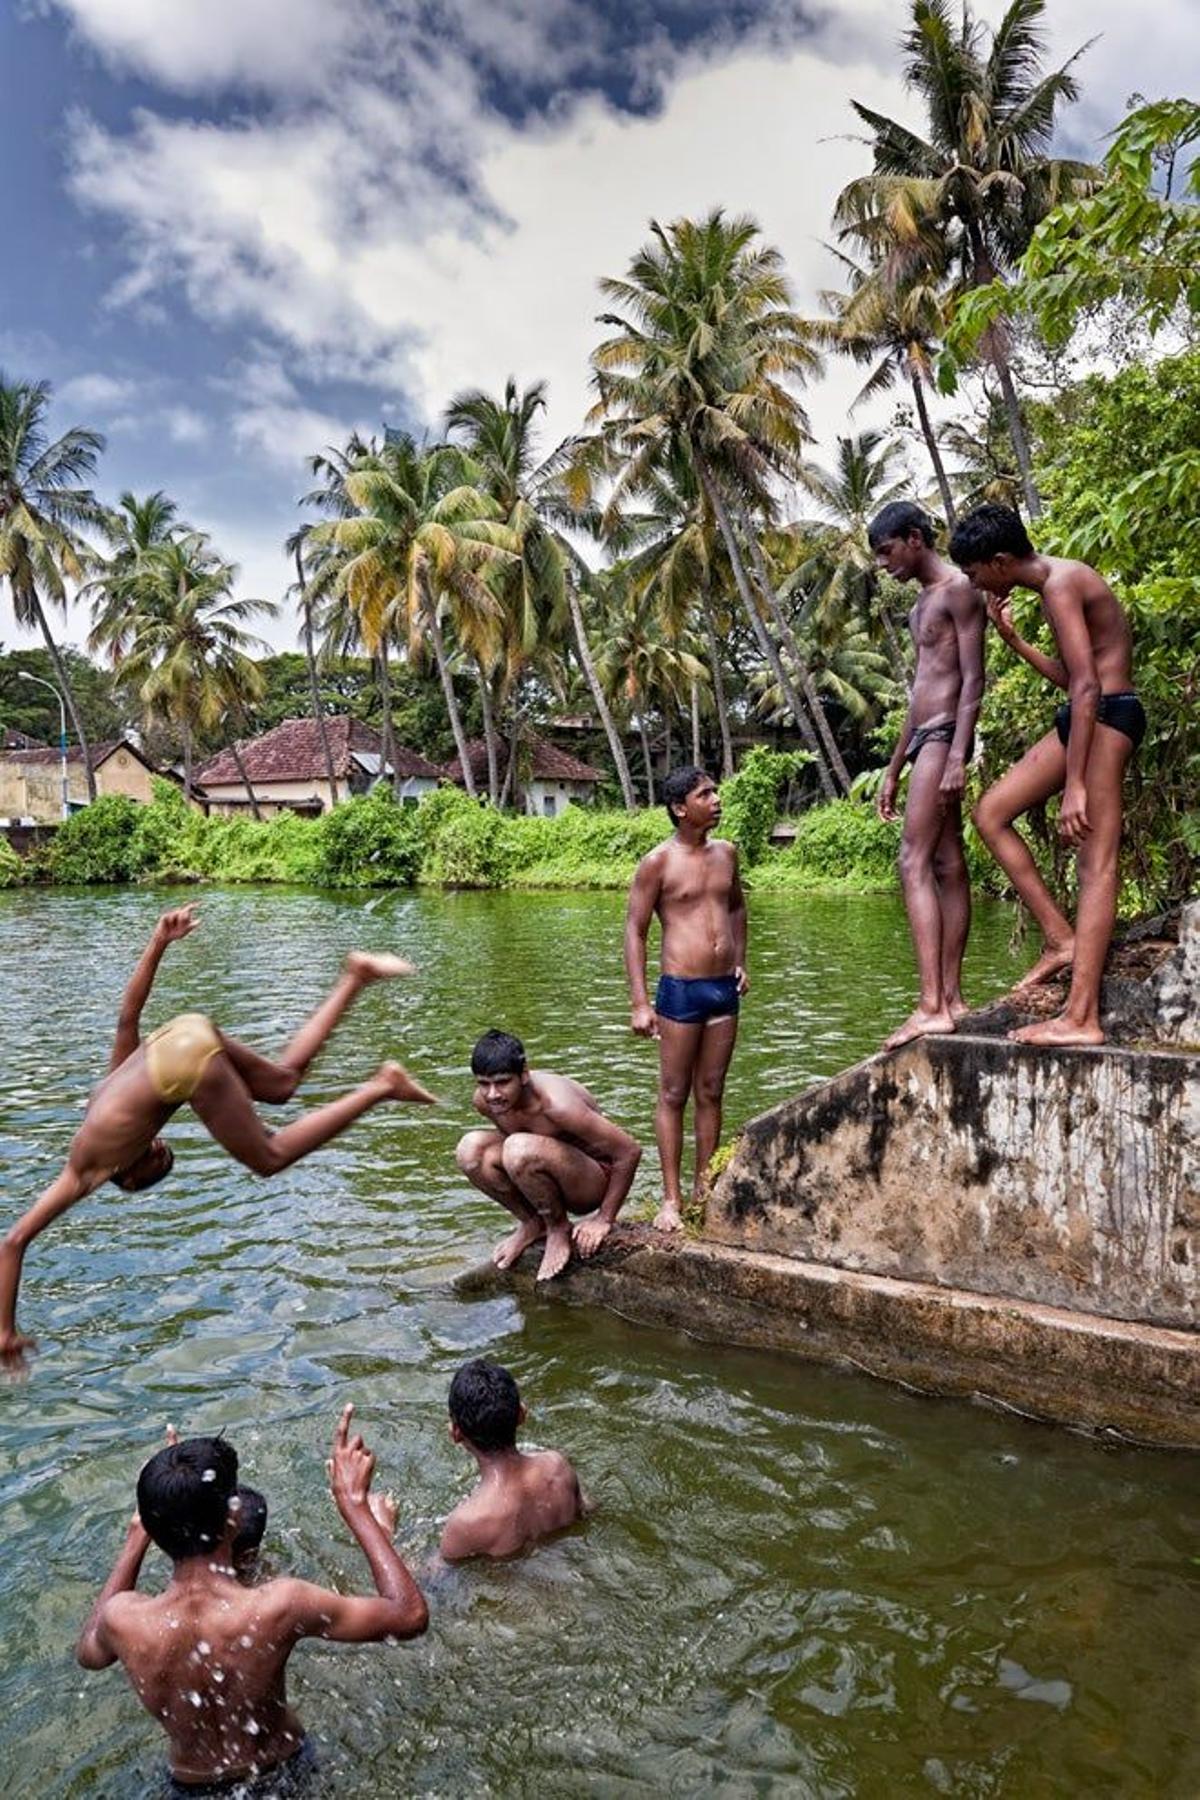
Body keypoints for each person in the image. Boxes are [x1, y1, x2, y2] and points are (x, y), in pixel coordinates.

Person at [0, 904, 436, 1367]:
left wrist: (4, 1330)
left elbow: (13, 1240)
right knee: (282, 1085)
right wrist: (158, 942)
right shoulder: (103, 1099)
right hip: (182, 1029)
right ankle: (356, 975)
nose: (160, 1146)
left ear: (126, 1178)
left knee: (269, 1157)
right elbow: (127, 1018)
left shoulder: (87, 1170)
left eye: (158, 1160)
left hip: (181, 1059)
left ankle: (381, 1086)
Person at [75, 1407, 428, 1794]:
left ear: (151, 1528)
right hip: (284, 1776)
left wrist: (138, 1535)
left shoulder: (123, 1619)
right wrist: (355, 1506)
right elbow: (409, 1615)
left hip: (188, 1788)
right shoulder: (279, 1605)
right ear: (233, 1519)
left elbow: (89, 1654)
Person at [949, 503, 1144, 1046]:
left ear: (1000, 561)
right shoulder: (1054, 584)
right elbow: (1075, 679)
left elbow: (1089, 688)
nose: (973, 583)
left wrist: (1075, 784)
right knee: (991, 813)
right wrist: (1015, 642)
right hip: (1088, 713)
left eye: (973, 572)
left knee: (1095, 862)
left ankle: (1082, 1018)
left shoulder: (1060, 584)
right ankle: (1061, 939)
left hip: (1108, 717)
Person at [869, 501, 986, 1049]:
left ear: (914, 539)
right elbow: (919, 691)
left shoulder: (960, 590)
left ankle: (932, 1004)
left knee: (912, 860)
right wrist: (894, 768)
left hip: (945, 738)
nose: (884, 564)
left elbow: (973, 679)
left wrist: (959, 754)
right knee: (946, 862)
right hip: (924, 740)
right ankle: (952, 999)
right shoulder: (920, 606)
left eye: (887, 551)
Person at [624, 767, 747, 1232]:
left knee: (711, 1090)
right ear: (680, 808)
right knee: (674, 1092)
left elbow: (736, 907)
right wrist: (640, 1003)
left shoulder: (727, 853)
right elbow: (635, 931)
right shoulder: (657, 862)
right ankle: (671, 1198)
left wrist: (741, 961)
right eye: (705, 794)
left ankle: (704, 1190)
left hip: (723, 989)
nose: (716, 800)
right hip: (680, 989)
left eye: (715, 792)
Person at [455, 1030, 642, 1282]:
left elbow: (629, 1151)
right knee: (470, 1150)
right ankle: (533, 1224)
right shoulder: (485, 1102)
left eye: (502, 1082)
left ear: (524, 1074)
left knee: (518, 1148)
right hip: (543, 1168)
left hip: (590, 1181)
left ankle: (558, 1228)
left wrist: (604, 1219)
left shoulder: (558, 1105)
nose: (492, 1094)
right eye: (483, 1084)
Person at [439, 1359, 585, 1561]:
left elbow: (432, 1576)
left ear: (456, 1433)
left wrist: (390, 1534)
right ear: (522, 1414)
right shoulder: (558, 1468)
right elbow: (587, 1510)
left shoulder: (466, 1523)